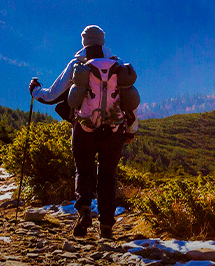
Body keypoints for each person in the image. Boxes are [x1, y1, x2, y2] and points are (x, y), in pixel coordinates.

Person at [30, 25, 138, 239]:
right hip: (113, 128)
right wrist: (131, 129)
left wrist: (35, 90)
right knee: (108, 176)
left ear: (84, 42)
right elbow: (130, 102)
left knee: (84, 171)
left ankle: (84, 212)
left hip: (85, 127)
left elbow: (52, 94)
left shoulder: (77, 65)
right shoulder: (118, 66)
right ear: (103, 41)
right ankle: (106, 225)